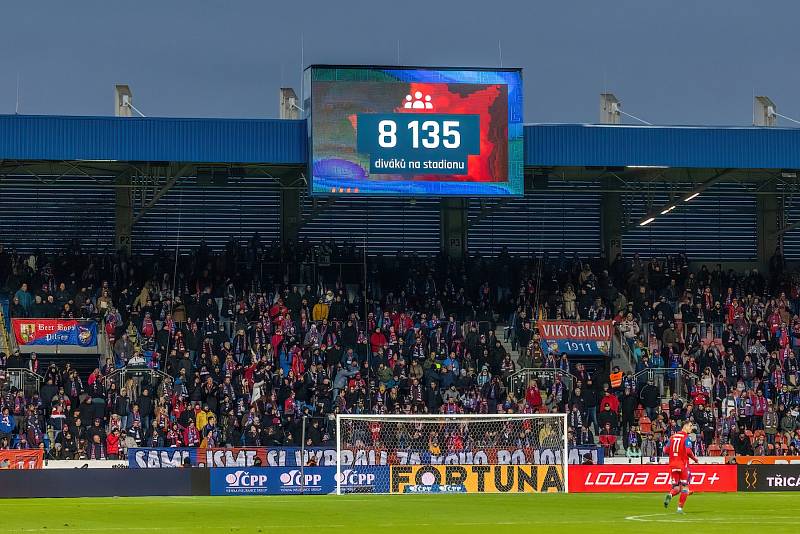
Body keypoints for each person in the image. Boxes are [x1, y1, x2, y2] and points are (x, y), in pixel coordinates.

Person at [663, 421, 699, 514]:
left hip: (672, 465)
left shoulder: (672, 437)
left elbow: (666, 450)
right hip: (682, 465)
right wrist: (695, 459)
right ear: (685, 426)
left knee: (676, 488)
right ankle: (679, 509)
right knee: (685, 488)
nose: (691, 428)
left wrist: (674, 454)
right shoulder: (686, 437)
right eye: (690, 426)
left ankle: (670, 495)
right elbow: (688, 451)